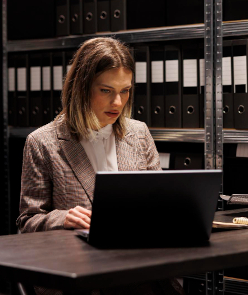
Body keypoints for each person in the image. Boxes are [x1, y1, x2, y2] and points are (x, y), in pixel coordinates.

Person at [17, 37, 184, 295]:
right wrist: (63, 218)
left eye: (125, 91)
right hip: (81, 279)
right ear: (81, 88)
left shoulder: (139, 133)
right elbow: (26, 223)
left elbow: (158, 204)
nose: (118, 103)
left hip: (142, 275)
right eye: (106, 90)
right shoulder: (42, 143)